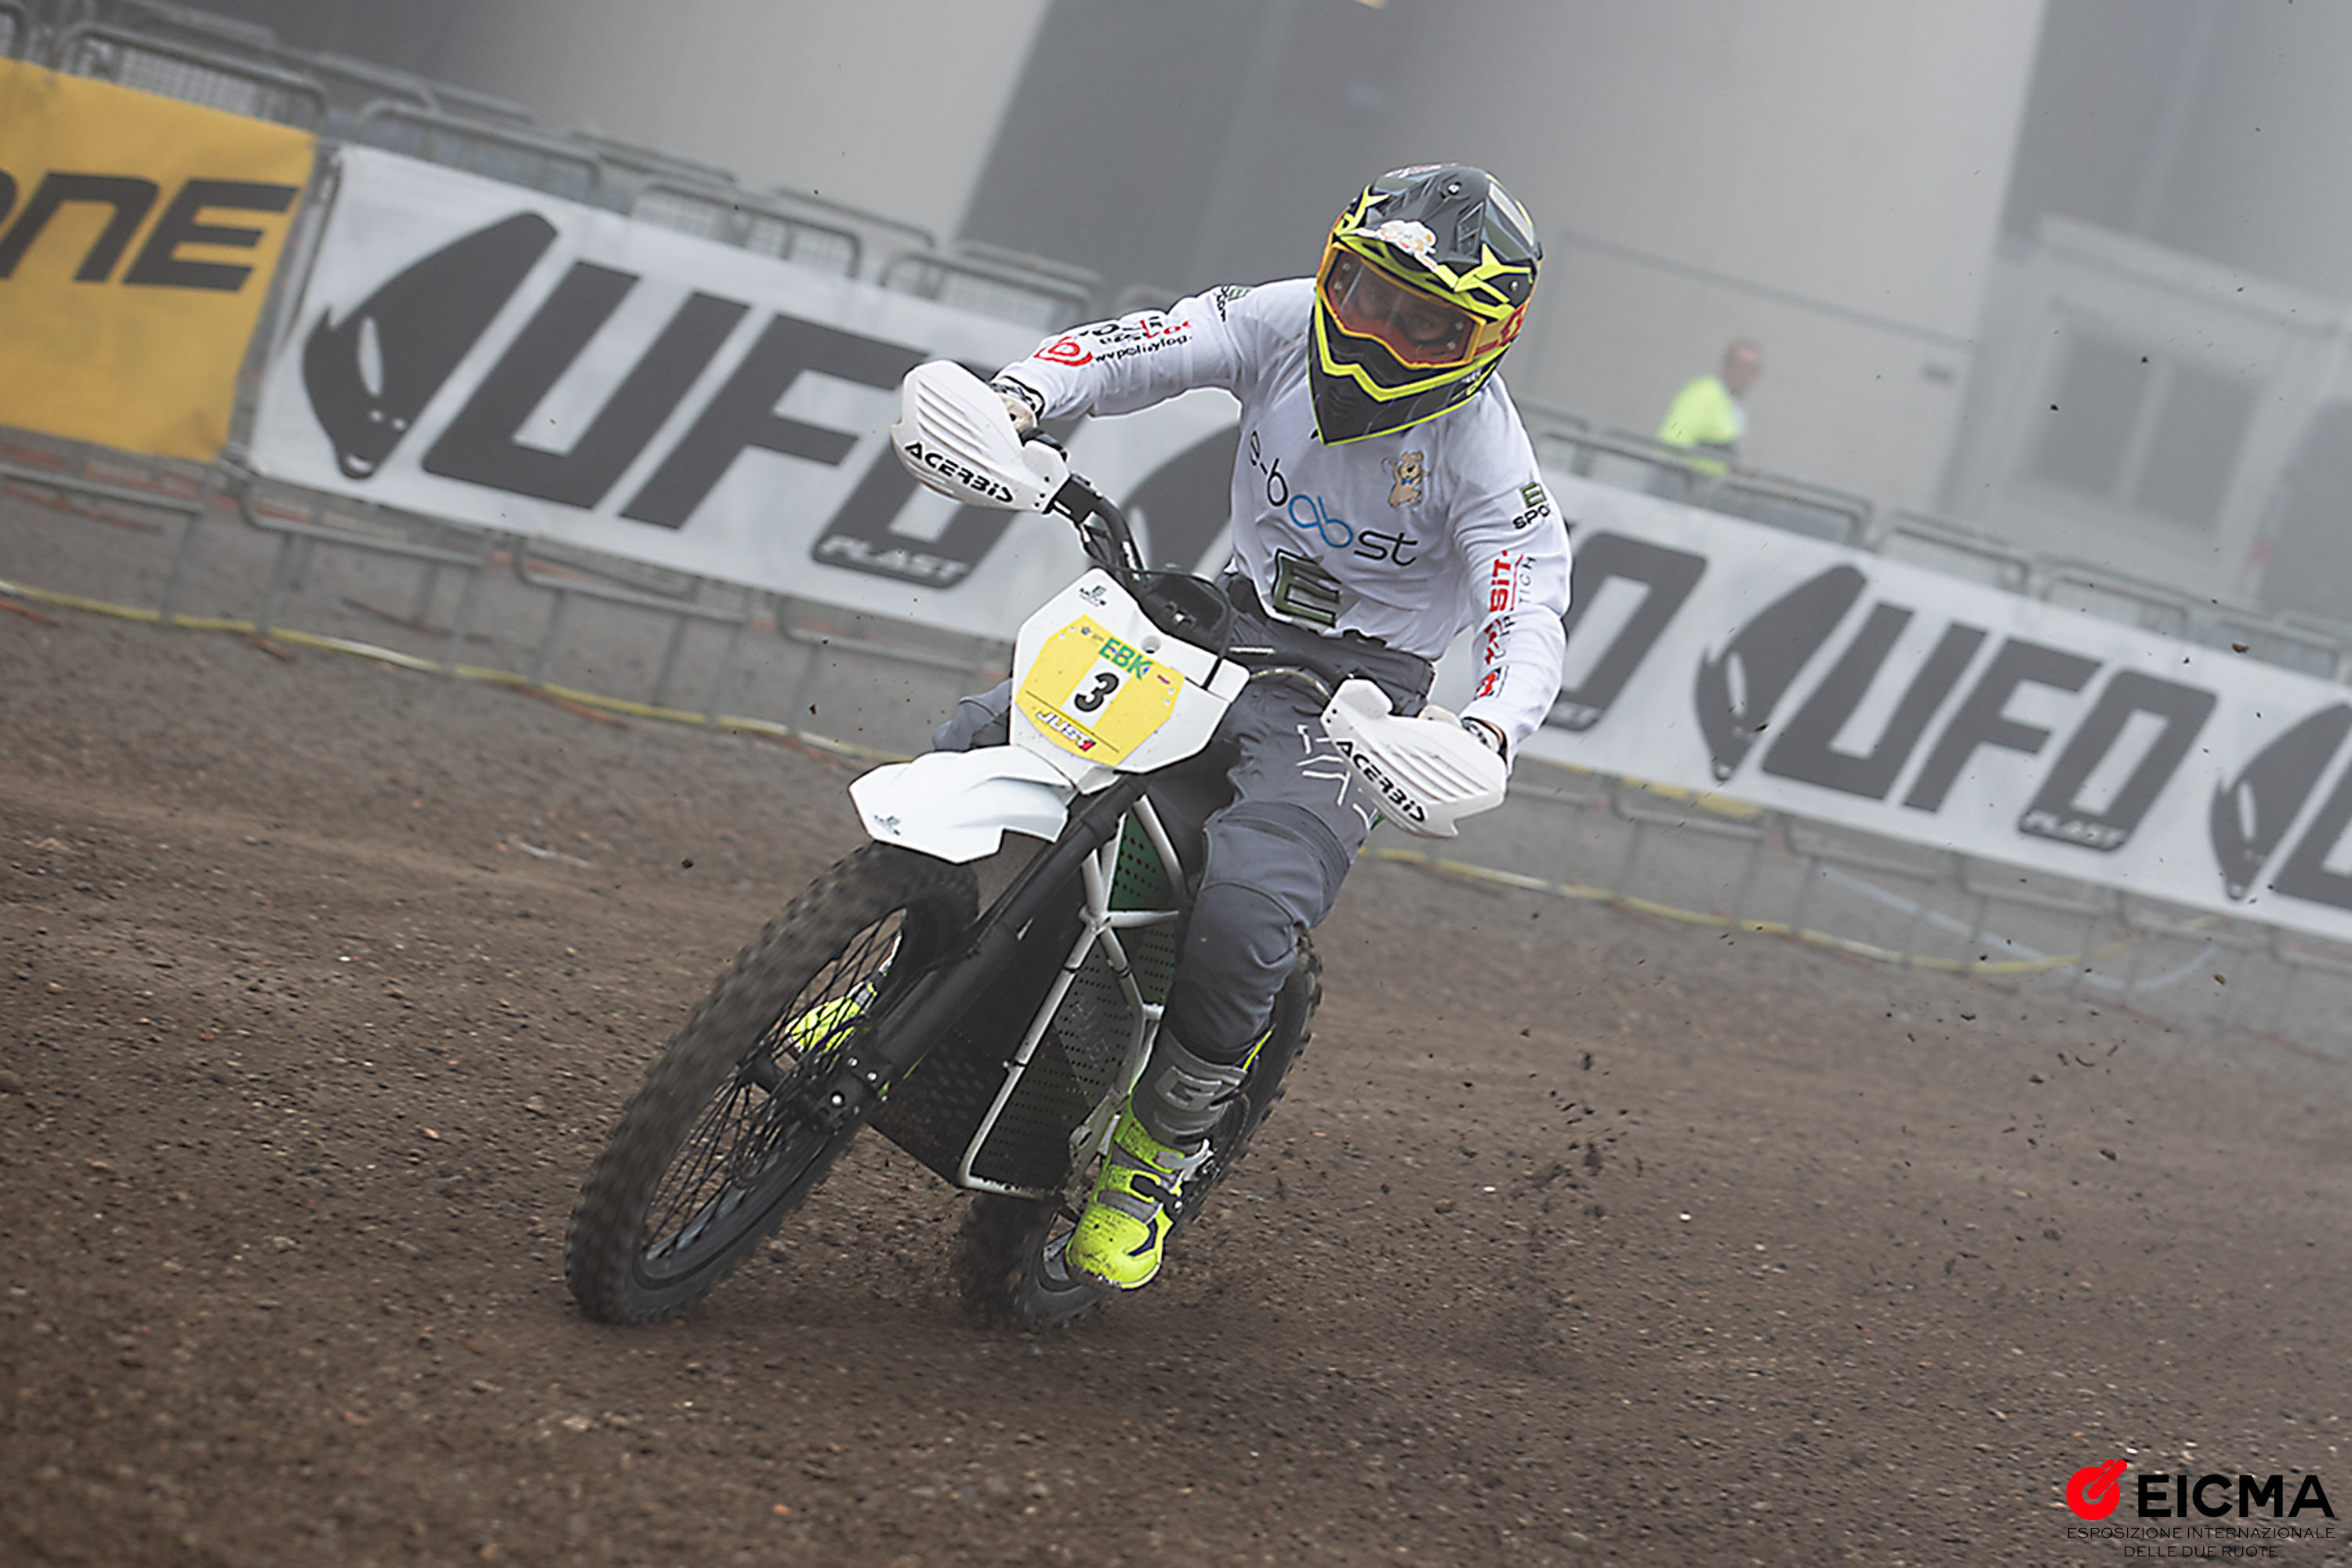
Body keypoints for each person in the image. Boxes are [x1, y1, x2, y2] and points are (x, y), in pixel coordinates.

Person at [932, 164, 1570, 1293]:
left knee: (1246, 906)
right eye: (1364, 294)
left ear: (1485, 340)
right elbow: (1142, 346)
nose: (1376, 334)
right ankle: (902, 976)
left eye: (1422, 322)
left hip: (1356, 694)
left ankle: (1153, 1154)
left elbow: (1527, 613)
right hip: (1224, 614)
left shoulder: (1487, 459)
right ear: (1333, 270)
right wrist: (1020, 396)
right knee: (985, 733)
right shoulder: (1280, 318)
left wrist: (1489, 732)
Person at [1655, 339, 1762, 477]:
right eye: (1740, 365)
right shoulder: (1704, 393)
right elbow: (1674, 440)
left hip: (1707, 483)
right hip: (1679, 478)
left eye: (1750, 369)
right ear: (1727, 365)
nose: (1743, 374)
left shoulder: (1737, 410)